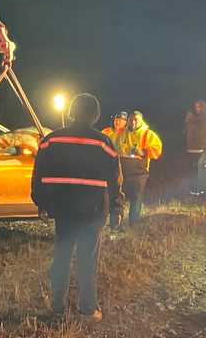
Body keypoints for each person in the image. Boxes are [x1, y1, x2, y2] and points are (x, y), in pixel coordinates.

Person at [31, 93, 122, 323]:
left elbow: (38, 174)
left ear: (72, 111)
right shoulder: (104, 143)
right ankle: (88, 311)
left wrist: (41, 202)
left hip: (63, 211)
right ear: (95, 115)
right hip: (92, 213)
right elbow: (115, 180)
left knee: (61, 258)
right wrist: (116, 209)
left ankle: (57, 307)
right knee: (87, 261)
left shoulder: (51, 140)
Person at [117, 110, 163, 225]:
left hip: (139, 171)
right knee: (118, 196)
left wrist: (143, 151)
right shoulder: (122, 132)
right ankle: (117, 223)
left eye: (136, 120)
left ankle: (134, 223)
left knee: (136, 197)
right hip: (122, 169)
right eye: (131, 120)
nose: (133, 122)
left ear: (141, 121)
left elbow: (157, 150)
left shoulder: (148, 134)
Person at [184, 99, 206, 196]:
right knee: (192, 171)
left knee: (202, 171)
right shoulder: (190, 119)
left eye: (200, 106)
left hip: (203, 150)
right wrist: (188, 120)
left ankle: (202, 191)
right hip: (190, 150)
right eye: (196, 106)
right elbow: (186, 133)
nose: (198, 108)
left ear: (204, 107)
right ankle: (193, 192)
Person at [102, 111, 128, 229]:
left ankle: (116, 223)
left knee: (118, 194)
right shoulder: (106, 132)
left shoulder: (127, 133)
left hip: (122, 166)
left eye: (120, 120)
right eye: (116, 119)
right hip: (107, 166)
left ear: (125, 122)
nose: (117, 122)